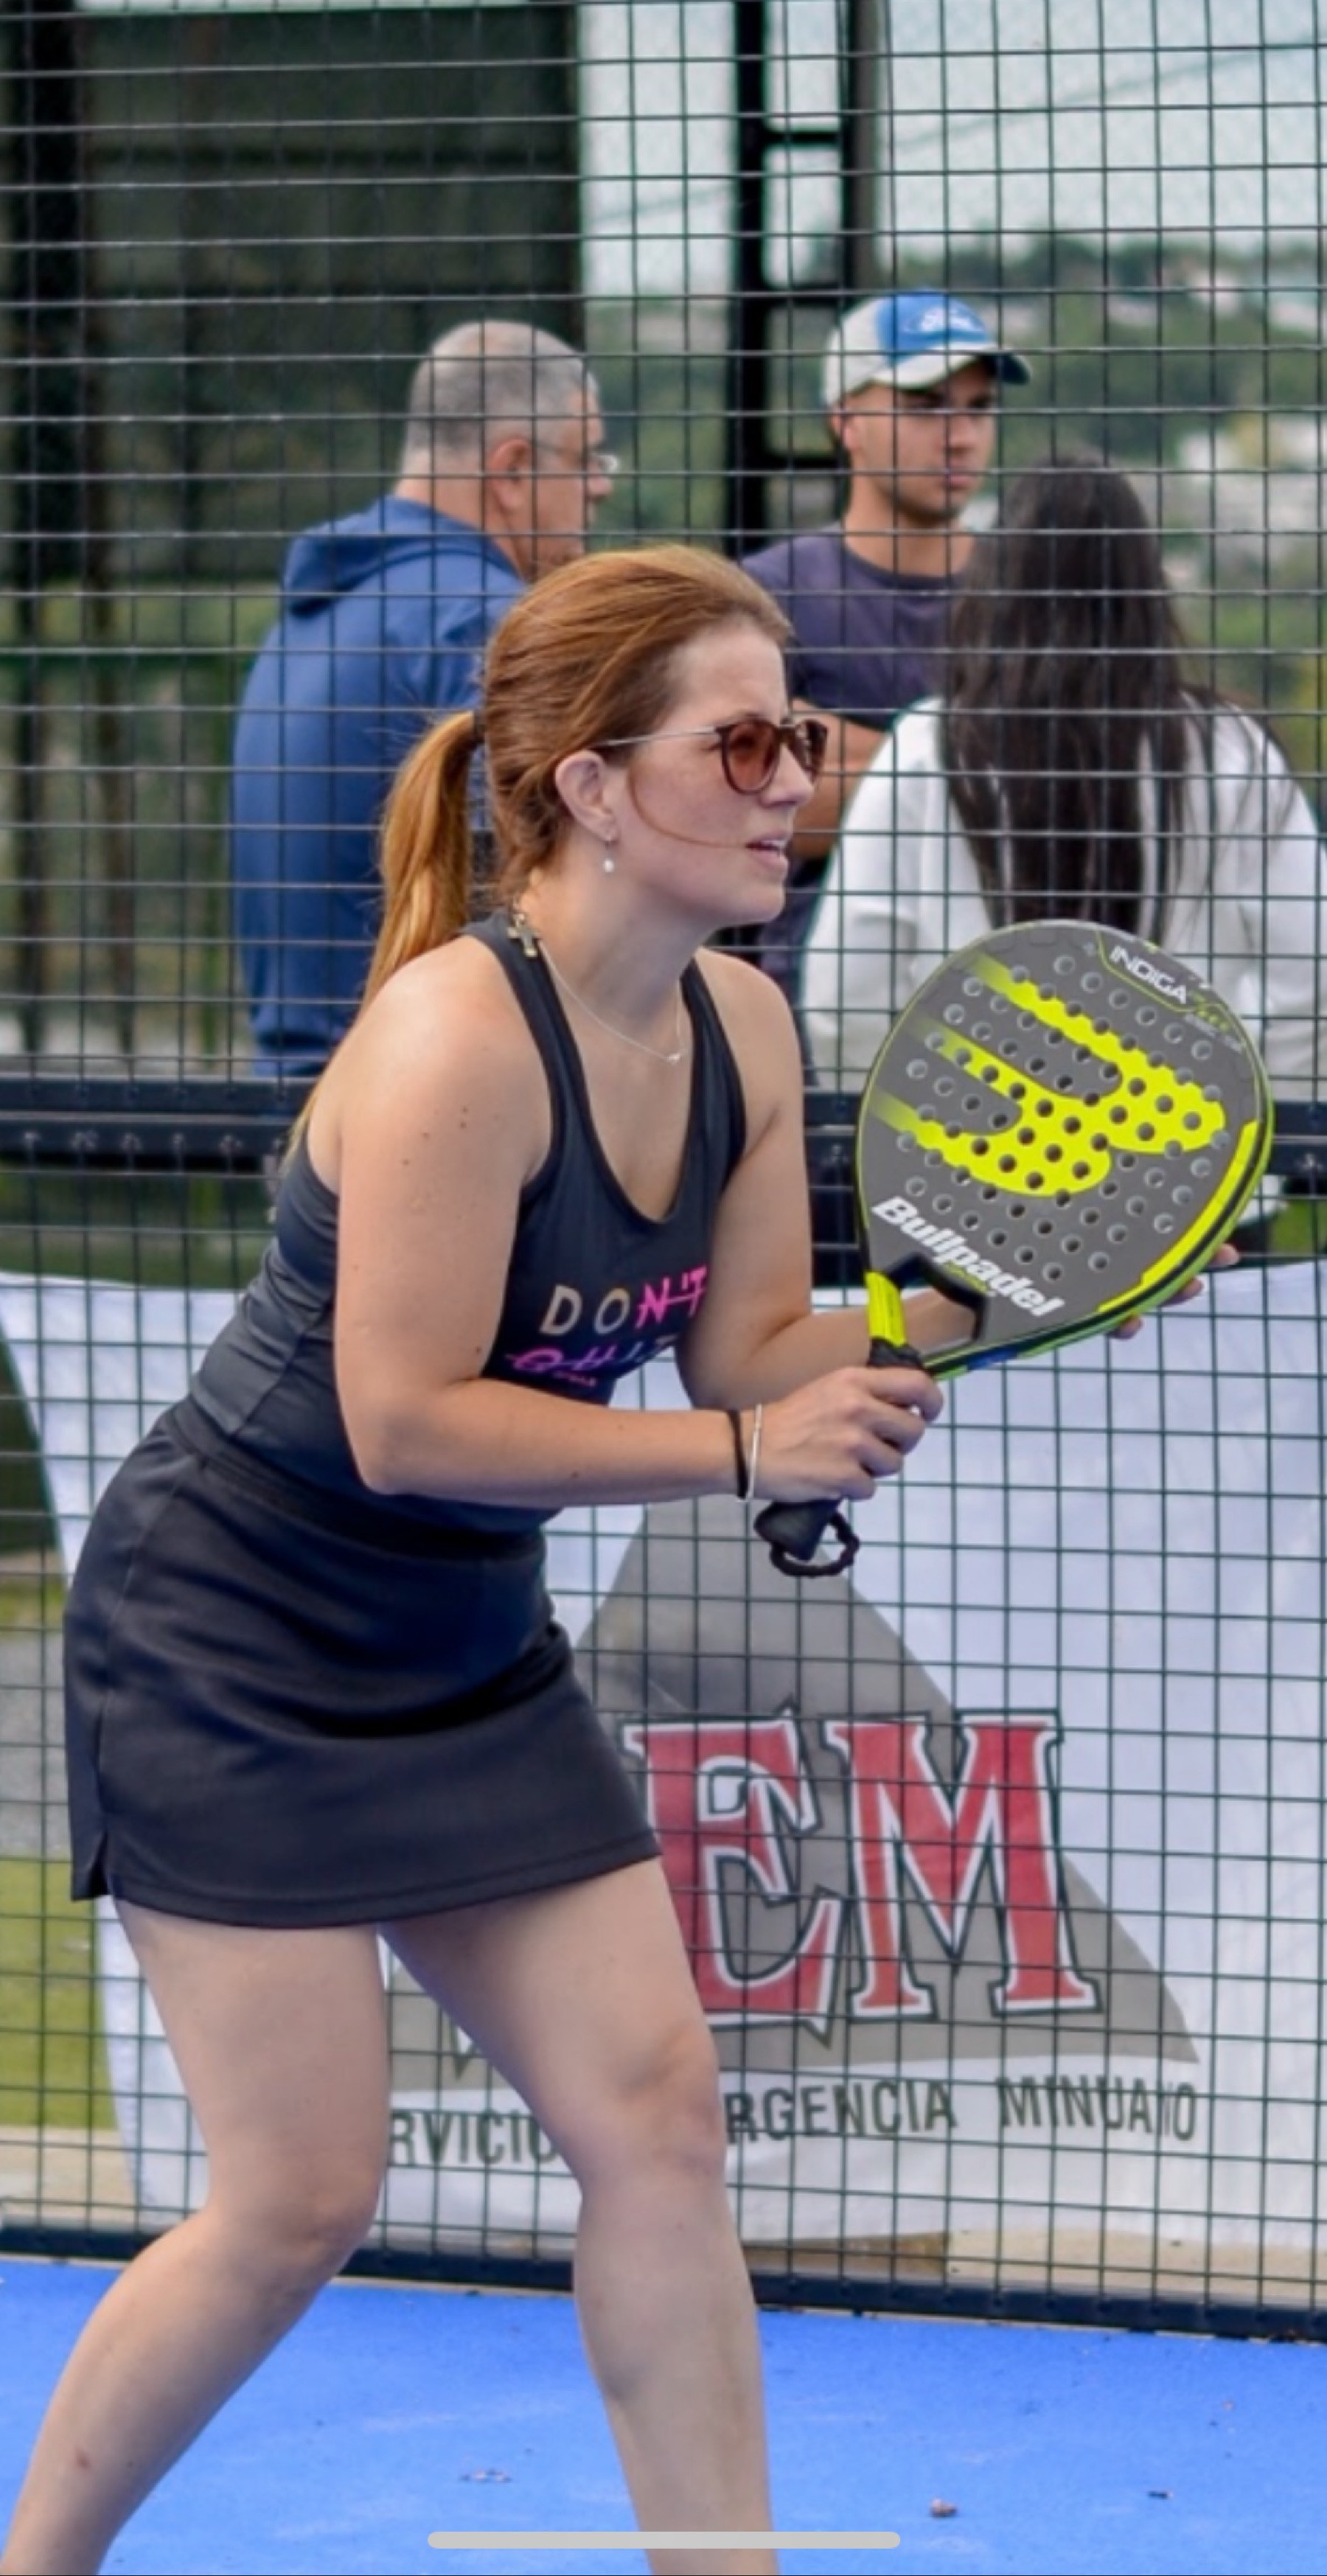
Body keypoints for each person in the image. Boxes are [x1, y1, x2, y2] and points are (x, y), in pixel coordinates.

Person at [5, 544, 966, 2576]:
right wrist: (747, 1449)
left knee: (661, 2121)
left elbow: (748, 1348)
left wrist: (968, 1302)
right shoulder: (453, 1036)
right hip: (229, 1641)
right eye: (744, 740)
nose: (799, 778)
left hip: (465, 1641)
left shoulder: (744, 1025)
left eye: (801, 732)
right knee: (298, 2197)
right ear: (595, 784)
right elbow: (408, 1420)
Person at [801, 460, 1327, 1111]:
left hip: (971, 1149)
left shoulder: (927, 745)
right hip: (1190, 1146)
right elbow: (1310, 974)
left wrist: (901, 1135)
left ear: (994, 586)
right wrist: (1246, 1130)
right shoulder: (1232, 749)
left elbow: (850, 984)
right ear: (1146, 587)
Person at [231, 317, 617, 1072]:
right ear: (513, 471)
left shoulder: (316, 608)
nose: (601, 485)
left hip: (299, 1090)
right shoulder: (482, 618)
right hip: (422, 1091)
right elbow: (529, 892)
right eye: (586, 458)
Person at [741, 288, 1030, 1000]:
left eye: (979, 408)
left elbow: (1059, 798)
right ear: (845, 419)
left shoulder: (1027, 596)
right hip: (821, 999)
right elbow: (749, 805)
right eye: (924, 406)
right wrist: (977, 762)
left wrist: (838, 749)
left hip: (1006, 997)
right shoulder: (768, 593)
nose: (960, 436)